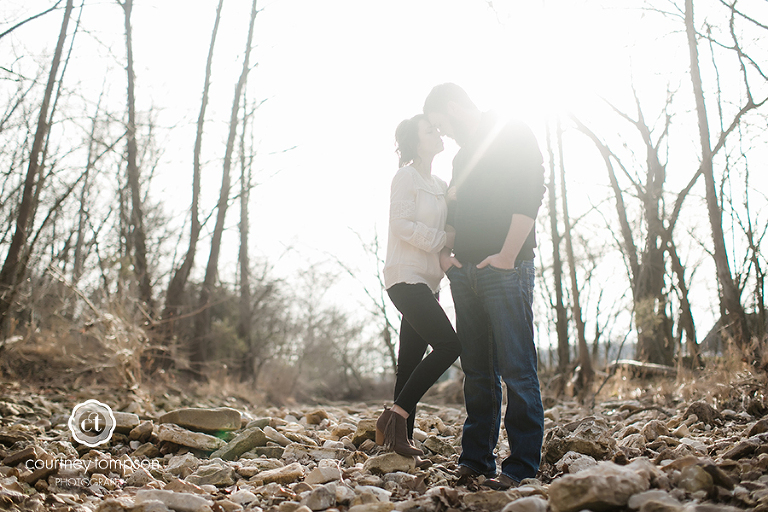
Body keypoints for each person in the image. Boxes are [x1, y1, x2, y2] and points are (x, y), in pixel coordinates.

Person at [423, 83, 546, 489]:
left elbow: (530, 191)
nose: (443, 136)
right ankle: (476, 460)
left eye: (441, 125)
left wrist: (508, 255)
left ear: (455, 108)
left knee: (517, 369)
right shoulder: (460, 159)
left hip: (506, 269)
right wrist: (446, 254)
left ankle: (522, 467)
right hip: (467, 274)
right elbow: (456, 210)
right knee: (477, 373)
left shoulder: (512, 131)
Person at [377, 114, 462, 459]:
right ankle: (394, 416)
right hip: (404, 277)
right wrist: (442, 240)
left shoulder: (441, 184)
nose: (438, 133)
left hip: (428, 282)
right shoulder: (405, 177)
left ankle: (400, 439)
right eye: (430, 130)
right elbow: (400, 224)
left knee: (410, 361)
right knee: (449, 344)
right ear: (416, 142)